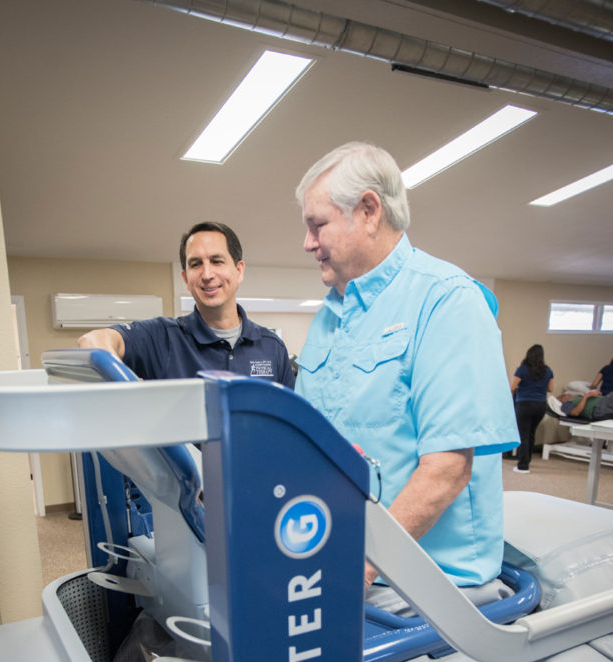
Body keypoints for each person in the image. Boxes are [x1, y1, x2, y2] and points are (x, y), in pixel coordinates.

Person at [294, 141, 519, 592]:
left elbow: (447, 469)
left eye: (317, 225)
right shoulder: (331, 315)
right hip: (341, 559)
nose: (307, 243)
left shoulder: (447, 299)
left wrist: (356, 570)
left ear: (369, 211)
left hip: (427, 586)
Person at [78, 221, 295, 388]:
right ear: (185, 278)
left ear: (238, 271)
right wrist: (123, 380)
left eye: (217, 261)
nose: (207, 274)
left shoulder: (271, 346)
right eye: (196, 264)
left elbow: (290, 423)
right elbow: (92, 340)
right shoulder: (162, 337)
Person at [510, 344, 554, 474]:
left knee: (523, 435)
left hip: (524, 404)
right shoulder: (548, 370)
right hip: (540, 405)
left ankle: (522, 466)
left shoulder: (522, 369)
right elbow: (551, 389)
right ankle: (527, 460)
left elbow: (513, 387)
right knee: (531, 433)